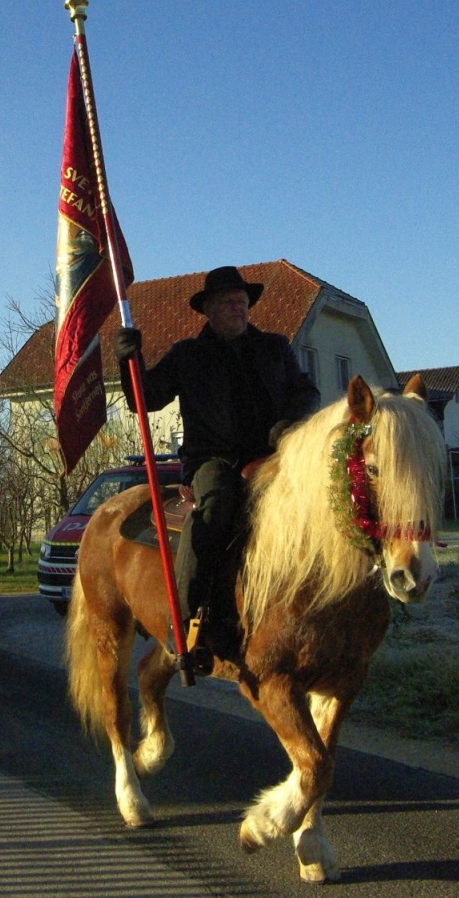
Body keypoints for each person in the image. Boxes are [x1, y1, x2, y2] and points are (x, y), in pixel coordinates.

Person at [114, 265, 320, 658]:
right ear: (207, 309)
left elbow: (306, 391)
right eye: (229, 303)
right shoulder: (188, 355)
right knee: (213, 511)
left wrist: (287, 426)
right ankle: (186, 621)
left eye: (243, 302)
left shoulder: (274, 348)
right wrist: (130, 360)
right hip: (213, 461)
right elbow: (148, 397)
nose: (239, 310)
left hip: (273, 457)